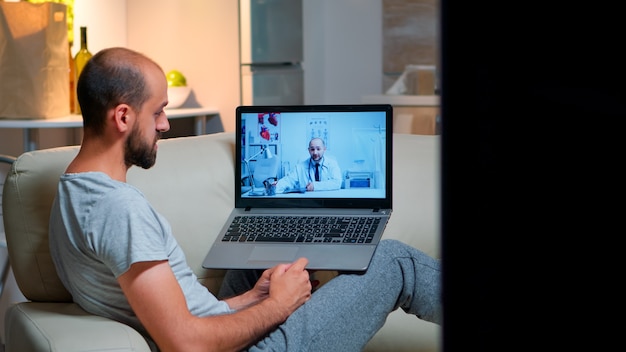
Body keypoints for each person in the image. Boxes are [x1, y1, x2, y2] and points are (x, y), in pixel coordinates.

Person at [48, 47, 442, 351]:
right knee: (393, 261)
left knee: (273, 254)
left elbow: (185, 314)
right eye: (158, 112)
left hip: (219, 329)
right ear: (122, 117)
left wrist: (255, 297)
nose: (164, 125)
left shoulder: (72, 191)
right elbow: (185, 343)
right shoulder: (120, 209)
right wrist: (279, 306)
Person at [274, 137, 343, 193]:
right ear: (309, 150)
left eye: (318, 149)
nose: (315, 152)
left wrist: (315, 186)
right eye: (312, 149)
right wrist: (275, 186)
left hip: (327, 201)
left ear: (324, 149)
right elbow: (288, 180)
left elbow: (337, 183)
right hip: (308, 202)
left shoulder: (332, 163)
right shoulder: (300, 167)